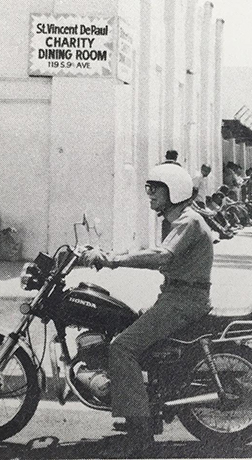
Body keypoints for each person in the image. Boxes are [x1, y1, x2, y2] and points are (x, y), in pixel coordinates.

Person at [82, 164, 213, 455]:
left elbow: (160, 256)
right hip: (176, 296)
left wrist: (113, 260)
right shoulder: (179, 219)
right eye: (148, 188)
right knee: (125, 323)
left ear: (174, 190)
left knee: (122, 348)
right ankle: (145, 409)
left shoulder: (187, 222)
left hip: (183, 302)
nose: (150, 195)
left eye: (156, 189)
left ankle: (140, 435)